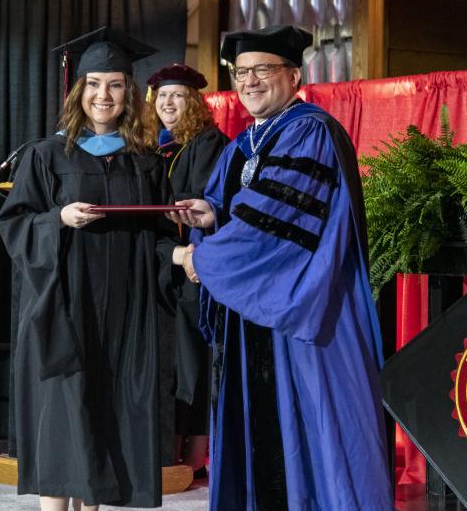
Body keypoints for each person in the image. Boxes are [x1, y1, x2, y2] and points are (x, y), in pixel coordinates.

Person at [168, 25, 392, 510]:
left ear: (293, 75)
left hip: (303, 313)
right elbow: (249, 212)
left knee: (316, 432)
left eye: (262, 70)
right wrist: (211, 215)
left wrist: (200, 257)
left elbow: (276, 228)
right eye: (241, 73)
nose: (249, 81)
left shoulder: (310, 131)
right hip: (255, 318)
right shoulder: (245, 143)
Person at [0, 27, 177, 510]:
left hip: (124, 315)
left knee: (106, 416)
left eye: (115, 84)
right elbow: (15, 224)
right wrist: (59, 218)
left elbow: (160, 235)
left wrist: (180, 255)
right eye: (95, 84)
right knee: (65, 414)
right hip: (65, 307)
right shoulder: (46, 155)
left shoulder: (146, 164)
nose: (104, 95)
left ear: (128, 91)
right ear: (79, 91)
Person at [143, 63, 228, 476]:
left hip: (196, 267)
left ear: (193, 101)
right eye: (161, 97)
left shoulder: (207, 143)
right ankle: (170, 453)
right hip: (165, 266)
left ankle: (194, 458)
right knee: (173, 359)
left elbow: (209, 203)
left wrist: (195, 255)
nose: (167, 103)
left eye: (176, 96)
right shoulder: (158, 146)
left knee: (194, 358)